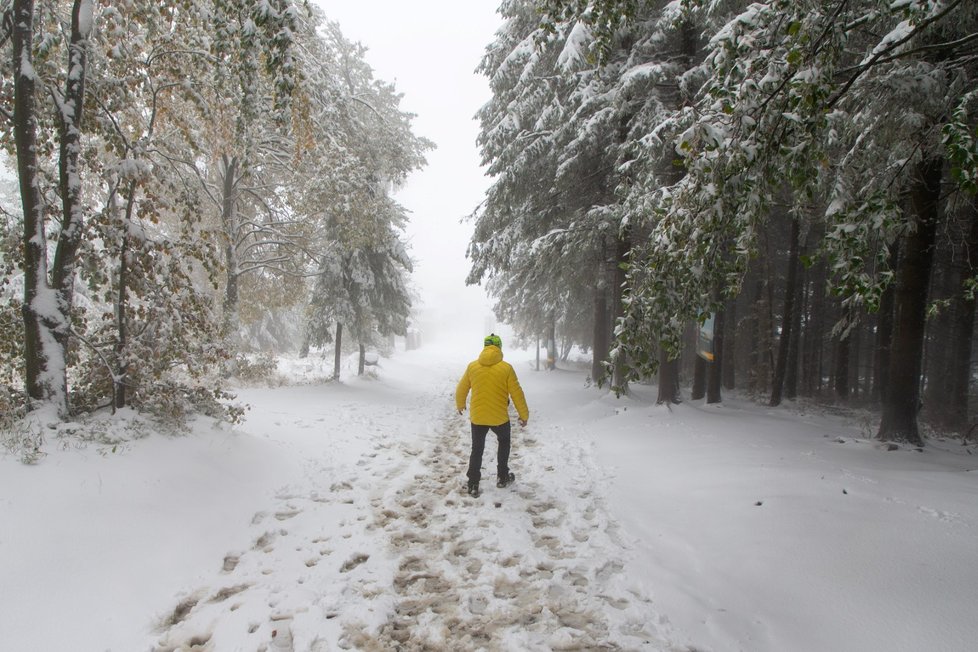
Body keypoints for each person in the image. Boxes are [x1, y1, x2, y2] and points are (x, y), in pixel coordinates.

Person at [455, 333, 529, 497]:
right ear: (499, 347)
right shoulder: (506, 368)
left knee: (477, 449)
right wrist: (524, 415)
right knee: (504, 441)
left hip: (478, 417)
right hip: (499, 418)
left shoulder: (472, 366)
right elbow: (517, 393)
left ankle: (473, 483)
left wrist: (460, 404)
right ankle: (502, 477)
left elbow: (461, 388)